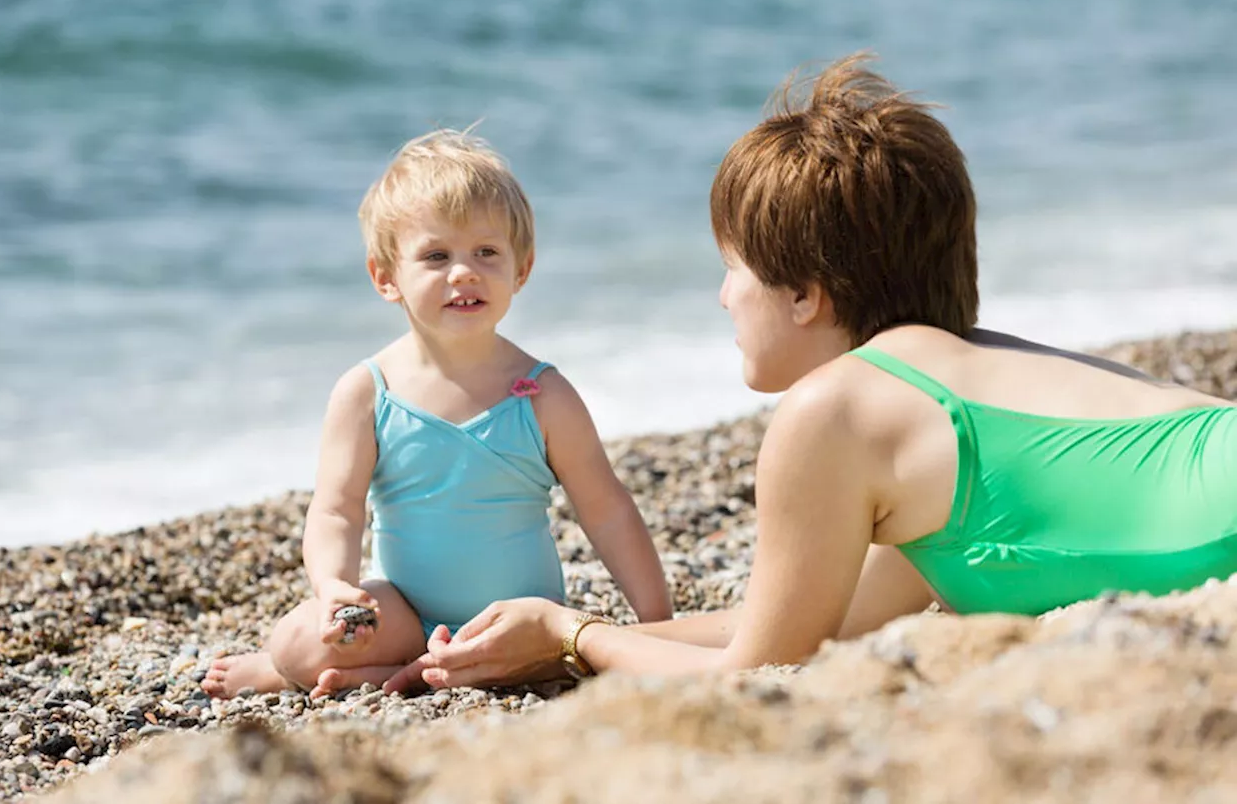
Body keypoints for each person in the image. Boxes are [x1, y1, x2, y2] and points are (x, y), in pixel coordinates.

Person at [382, 53, 1237, 694]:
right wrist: (549, 630)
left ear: (805, 295)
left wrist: (571, 631)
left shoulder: (836, 410)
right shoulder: (952, 379)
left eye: (734, 268)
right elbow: (820, 620)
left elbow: (759, 670)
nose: (722, 297)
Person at [203, 128, 672, 699]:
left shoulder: (543, 395)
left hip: (518, 625)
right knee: (294, 641)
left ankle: (379, 679)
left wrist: (657, 624)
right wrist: (333, 588)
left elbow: (609, 512)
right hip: (405, 616)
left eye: (486, 252)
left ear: (520, 269)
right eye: (436, 256)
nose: (463, 273)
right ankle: (343, 668)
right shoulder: (367, 392)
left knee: (546, 666)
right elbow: (336, 512)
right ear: (385, 277)